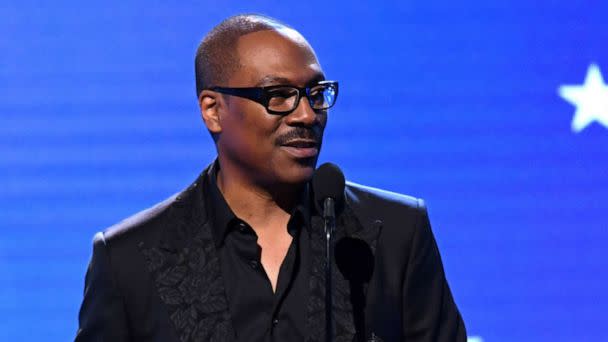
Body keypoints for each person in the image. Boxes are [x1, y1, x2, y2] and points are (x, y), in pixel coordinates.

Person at [75, 14, 466, 342]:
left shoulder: (396, 233)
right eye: (278, 95)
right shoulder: (128, 259)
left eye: (316, 93)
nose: (307, 115)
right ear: (212, 110)